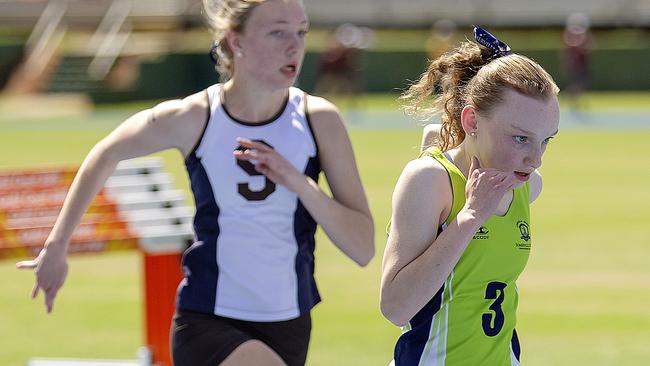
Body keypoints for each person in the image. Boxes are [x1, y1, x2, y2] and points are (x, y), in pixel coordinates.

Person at [16, 1, 375, 365]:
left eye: (301, 32)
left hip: (290, 321)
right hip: (208, 317)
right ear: (236, 41)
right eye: (278, 32)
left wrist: (298, 182)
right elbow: (105, 153)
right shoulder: (195, 116)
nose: (294, 46)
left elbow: (362, 247)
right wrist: (57, 246)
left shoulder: (320, 121)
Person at [380, 27, 560, 365]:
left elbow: (438, 135)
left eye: (546, 139)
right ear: (471, 119)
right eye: (520, 139)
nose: (535, 159)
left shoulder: (526, 186)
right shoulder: (429, 181)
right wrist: (470, 217)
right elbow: (395, 306)